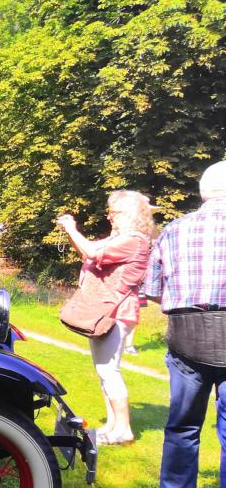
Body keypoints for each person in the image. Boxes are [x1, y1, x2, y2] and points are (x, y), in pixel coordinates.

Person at [144, 161, 226, 488]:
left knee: (182, 424)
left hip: (186, 337)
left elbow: (153, 291)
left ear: (202, 193)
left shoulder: (174, 230)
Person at [56, 190, 153, 446]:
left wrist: (70, 228)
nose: (110, 217)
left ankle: (123, 429)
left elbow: (91, 253)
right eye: (109, 212)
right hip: (104, 310)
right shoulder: (120, 238)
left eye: (115, 212)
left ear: (131, 214)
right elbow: (88, 254)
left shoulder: (135, 240)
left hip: (115, 312)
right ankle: (112, 425)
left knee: (110, 370)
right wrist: (76, 236)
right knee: (104, 371)